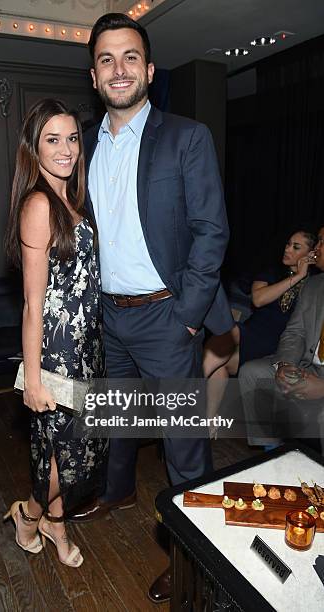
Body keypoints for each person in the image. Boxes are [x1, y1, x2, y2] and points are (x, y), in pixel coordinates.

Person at [66, 13, 233, 602]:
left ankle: (196, 553)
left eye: (130, 57)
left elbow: (211, 231)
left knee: (183, 448)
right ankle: (119, 491)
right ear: (93, 75)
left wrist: (188, 314)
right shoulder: (80, 146)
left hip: (168, 316)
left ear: (150, 69)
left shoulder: (187, 136)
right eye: (107, 59)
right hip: (110, 317)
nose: (119, 69)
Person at [4, 99, 107, 567]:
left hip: (87, 346)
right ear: (34, 148)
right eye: (53, 140)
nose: (66, 149)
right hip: (56, 353)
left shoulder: (72, 200)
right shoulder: (39, 205)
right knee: (64, 457)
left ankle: (50, 521)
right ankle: (33, 516)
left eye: (71, 138)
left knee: (71, 453)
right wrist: (34, 378)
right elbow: (32, 302)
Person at [203, 229, 317, 434]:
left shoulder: (314, 284)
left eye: (296, 247)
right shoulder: (272, 272)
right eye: (288, 243)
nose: (288, 249)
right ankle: (209, 422)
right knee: (221, 363)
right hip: (252, 333)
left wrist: (303, 276)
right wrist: (296, 276)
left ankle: (186, 388)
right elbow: (258, 299)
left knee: (231, 334)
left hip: (276, 343)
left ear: (310, 254)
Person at [239, 226, 324, 450]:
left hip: (268, 342)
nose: (317, 249)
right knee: (251, 372)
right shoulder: (314, 285)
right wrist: (285, 363)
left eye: (321, 243)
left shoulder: (309, 280)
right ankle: (271, 452)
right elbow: (295, 331)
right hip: (272, 343)